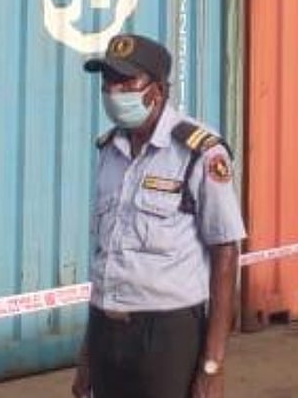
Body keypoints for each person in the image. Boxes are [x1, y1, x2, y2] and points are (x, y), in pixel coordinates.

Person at [71, 34, 246, 398]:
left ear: (158, 90)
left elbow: (226, 253)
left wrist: (212, 364)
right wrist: (87, 356)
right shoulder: (109, 151)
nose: (114, 91)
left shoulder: (199, 152)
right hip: (107, 329)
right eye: (108, 81)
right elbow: (108, 256)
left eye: (126, 82)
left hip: (168, 333)